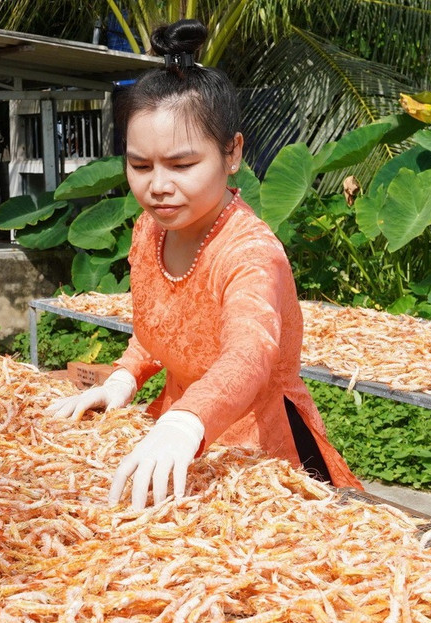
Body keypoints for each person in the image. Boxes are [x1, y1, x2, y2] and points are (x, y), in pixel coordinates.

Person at [46, 19, 362, 509]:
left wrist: (186, 422)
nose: (158, 185)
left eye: (182, 165)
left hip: (261, 451)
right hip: (171, 437)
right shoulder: (149, 231)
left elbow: (249, 354)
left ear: (232, 152)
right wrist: (122, 379)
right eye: (141, 165)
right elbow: (159, 329)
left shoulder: (249, 252)